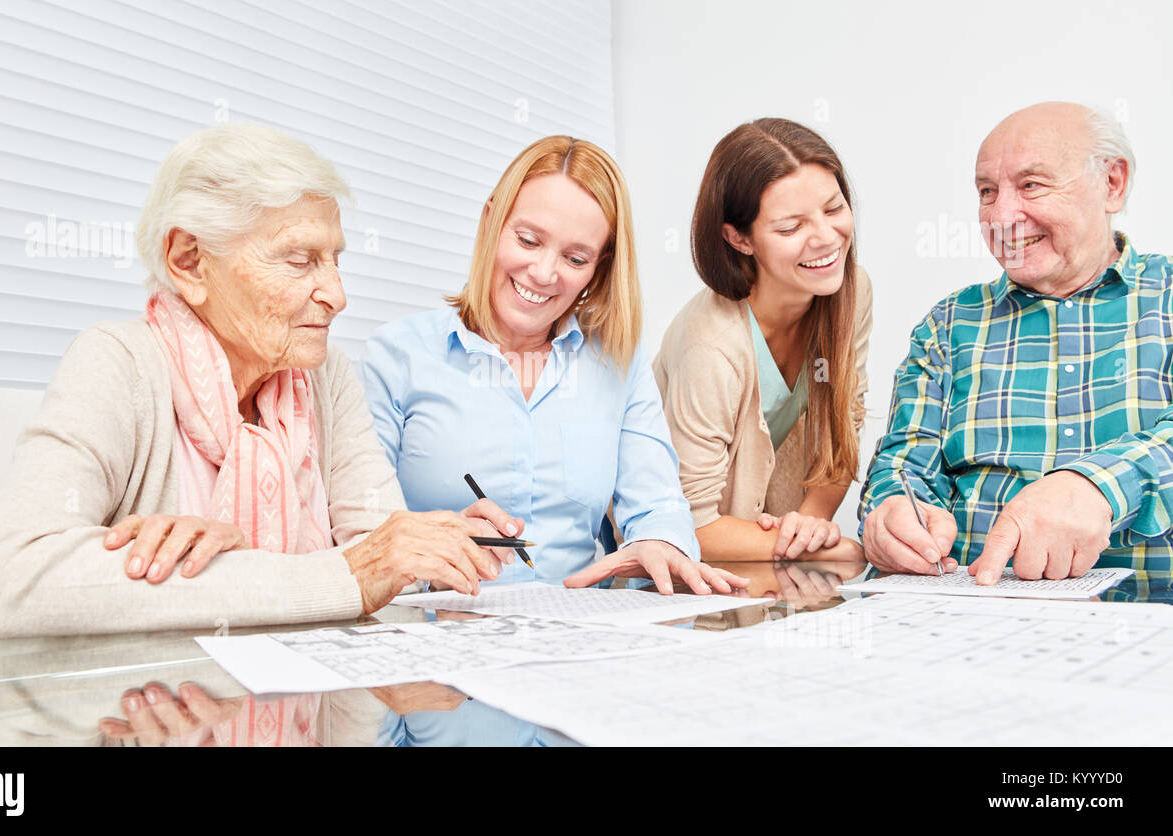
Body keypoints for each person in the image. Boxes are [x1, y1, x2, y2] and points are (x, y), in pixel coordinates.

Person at [0, 124, 516, 638]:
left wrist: (432, 553)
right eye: (300, 259)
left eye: (335, 260)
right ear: (189, 260)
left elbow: (377, 555)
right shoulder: (118, 363)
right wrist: (346, 574)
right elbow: (15, 581)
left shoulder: (326, 377)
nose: (337, 294)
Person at [361, 135, 747, 745]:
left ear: (600, 267)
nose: (544, 273)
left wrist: (657, 545)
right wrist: (434, 548)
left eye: (575, 256)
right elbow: (355, 538)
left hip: (580, 672)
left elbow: (658, 505)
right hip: (432, 682)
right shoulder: (395, 356)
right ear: (492, 222)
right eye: (528, 239)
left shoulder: (617, 364)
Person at [859, 102, 1173, 584]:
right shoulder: (948, 324)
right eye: (987, 191)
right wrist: (893, 515)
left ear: (1112, 184)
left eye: (1031, 185)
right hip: (968, 626)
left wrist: (1099, 486)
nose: (1002, 216)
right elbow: (902, 467)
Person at [654, 118, 872, 564]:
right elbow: (688, 524)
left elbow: (843, 426)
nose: (827, 239)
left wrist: (812, 525)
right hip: (680, 568)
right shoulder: (710, 344)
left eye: (833, 210)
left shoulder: (852, 290)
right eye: (791, 228)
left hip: (761, 569)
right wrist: (827, 550)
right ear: (738, 238)